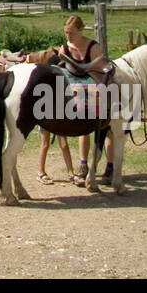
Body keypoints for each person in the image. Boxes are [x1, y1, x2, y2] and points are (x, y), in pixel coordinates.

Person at [58, 14, 115, 184]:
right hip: (76, 93)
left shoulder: (93, 47)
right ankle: (84, 164)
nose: (68, 36)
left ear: (81, 30)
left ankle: (110, 166)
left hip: (96, 90)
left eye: (72, 32)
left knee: (108, 129)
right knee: (84, 129)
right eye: (66, 32)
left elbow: (101, 73)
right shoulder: (65, 49)